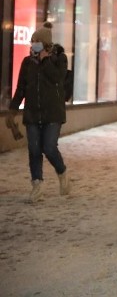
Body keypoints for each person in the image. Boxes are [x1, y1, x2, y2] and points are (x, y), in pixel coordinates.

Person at [9, 22, 71, 203]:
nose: (32, 43)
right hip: (33, 114)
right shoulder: (27, 63)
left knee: (49, 147)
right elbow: (21, 89)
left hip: (53, 114)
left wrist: (45, 60)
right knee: (34, 149)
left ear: (44, 43)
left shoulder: (60, 59)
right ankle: (37, 184)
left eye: (36, 41)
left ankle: (62, 173)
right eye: (32, 41)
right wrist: (12, 111)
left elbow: (58, 79)